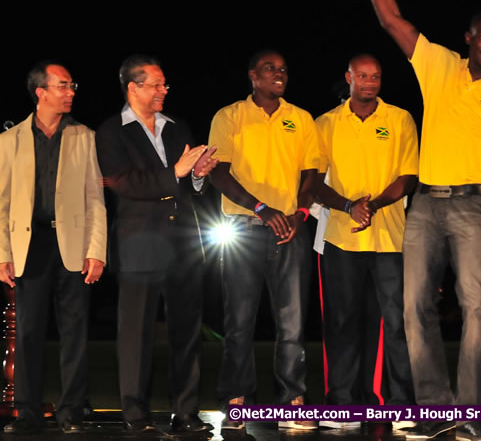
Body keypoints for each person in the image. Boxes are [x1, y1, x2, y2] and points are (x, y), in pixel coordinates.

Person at [338, 0, 481, 441]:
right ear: (468, 38)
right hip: (424, 206)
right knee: (413, 308)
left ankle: (470, 414)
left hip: (475, 209)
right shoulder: (439, 64)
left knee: (476, 310)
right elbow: (390, 18)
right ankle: (434, 410)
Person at [95, 55, 217, 433]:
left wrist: (197, 176)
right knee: (136, 333)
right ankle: (135, 414)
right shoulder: (111, 131)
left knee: (186, 329)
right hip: (139, 243)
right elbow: (125, 184)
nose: (164, 90)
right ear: (133, 88)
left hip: (183, 242)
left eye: (165, 84)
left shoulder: (176, 126)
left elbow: (187, 185)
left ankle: (186, 412)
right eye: (156, 84)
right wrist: (176, 172)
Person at [208, 49, 319, 430]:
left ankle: (293, 398)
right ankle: (236, 398)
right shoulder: (230, 116)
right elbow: (219, 173)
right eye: (270, 69)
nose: (279, 74)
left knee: (292, 322)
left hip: (290, 233)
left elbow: (312, 175)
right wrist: (260, 208)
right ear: (252, 75)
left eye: (284, 69)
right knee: (239, 320)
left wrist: (299, 215)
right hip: (243, 230)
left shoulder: (301, 119)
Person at [0, 62, 106, 434]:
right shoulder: (9, 140)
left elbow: (95, 199)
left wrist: (97, 250)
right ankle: (27, 413)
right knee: (28, 331)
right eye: (63, 85)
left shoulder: (84, 136)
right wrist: (3, 254)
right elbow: (2, 203)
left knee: (74, 332)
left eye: (72, 85)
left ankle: (71, 411)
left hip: (74, 245)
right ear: (41, 92)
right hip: (30, 245)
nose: (71, 91)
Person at [315, 54, 418, 429]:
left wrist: (371, 205)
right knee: (341, 322)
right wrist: (347, 206)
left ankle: (401, 404)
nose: (370, 81)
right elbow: (313, 181)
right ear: (349, 78)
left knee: (396, 323)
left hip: (390, 237)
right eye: (362, 75)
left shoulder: (400, 119)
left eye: (376, 76)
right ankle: (342, 404)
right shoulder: (325, 122)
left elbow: (407, 177)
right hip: (341, 237)